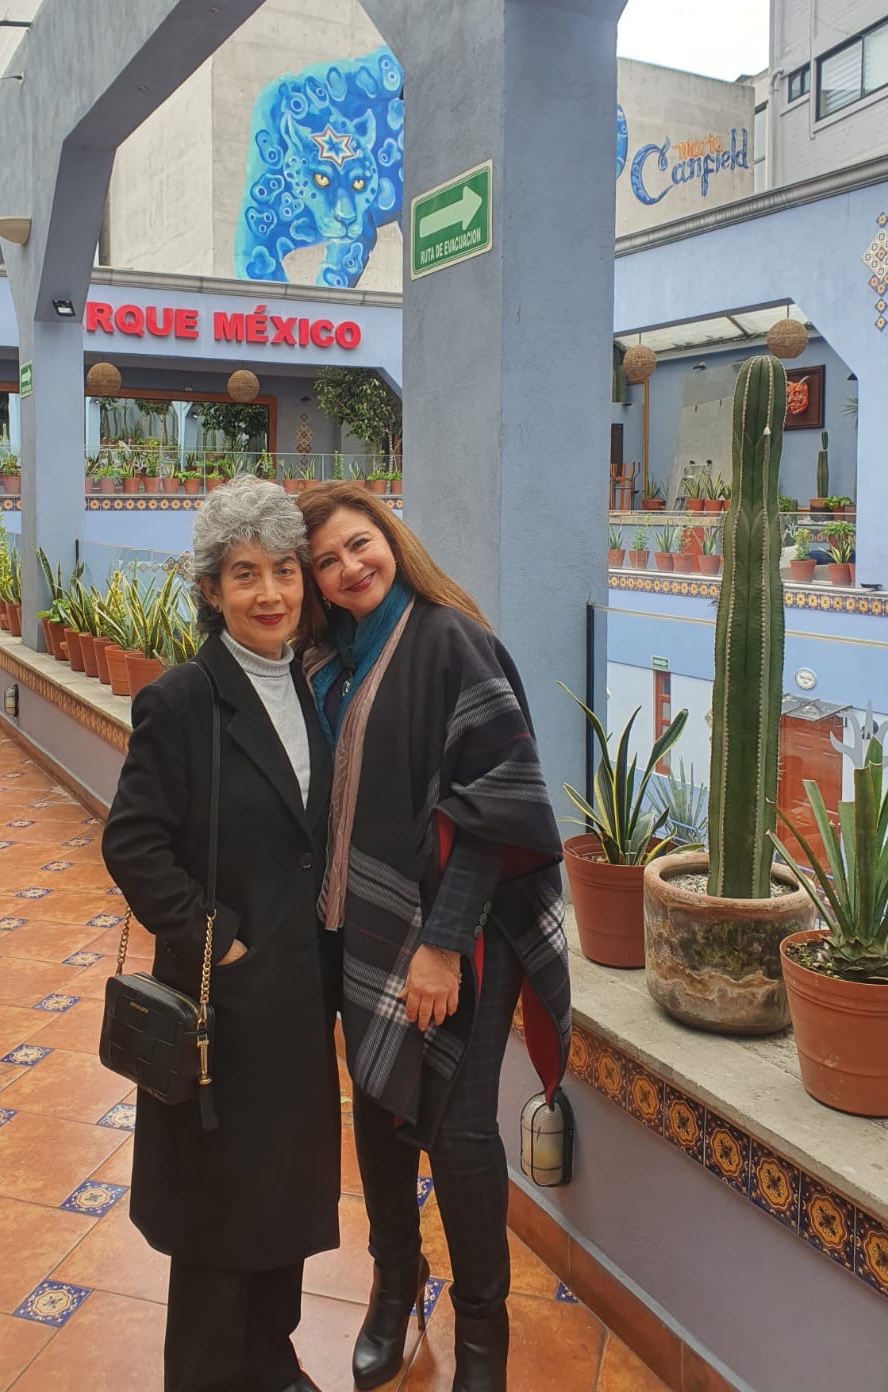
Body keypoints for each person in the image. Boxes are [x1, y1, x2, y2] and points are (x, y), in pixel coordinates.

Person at [297, 483, 572, 1392]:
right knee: (377, 1108)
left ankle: (484, 1334)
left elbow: (499, 805)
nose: (349, 568)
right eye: (326, 561)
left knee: (456, 1133)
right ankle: (393, 1286)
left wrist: (442, 943)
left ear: (392, 538)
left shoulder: (450, 640)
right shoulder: (324, 660)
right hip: (360, 928)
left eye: (359, 544)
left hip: (461, 933)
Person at [102, 478, 339, 1392]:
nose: (270, 593)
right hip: (225, 997)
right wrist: (219, 941)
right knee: (217, 1209)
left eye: (285, 570)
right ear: (210, 588)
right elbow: (132, 843)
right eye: (245, 574)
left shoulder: (314, 684)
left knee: (284, 1191)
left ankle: (271, 1359)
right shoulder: (183, 699)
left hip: (300, 995)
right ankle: (206, 1374)